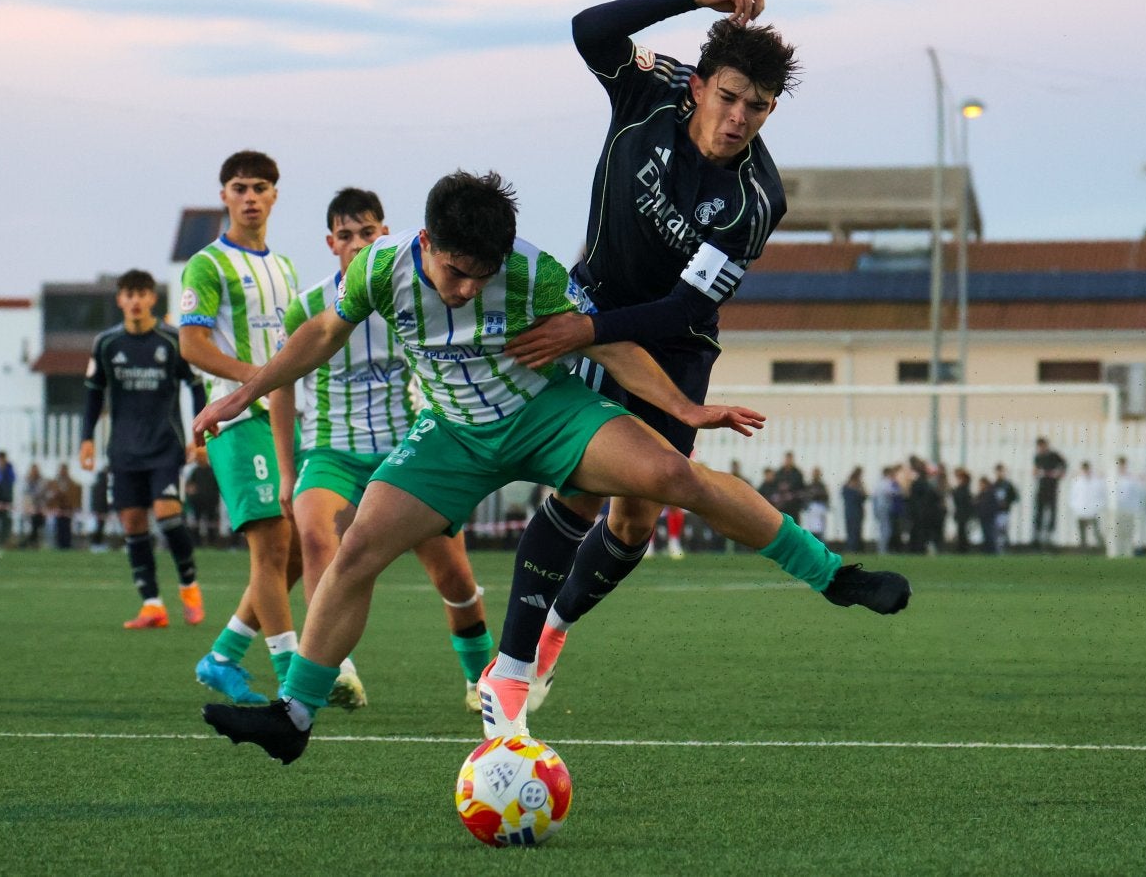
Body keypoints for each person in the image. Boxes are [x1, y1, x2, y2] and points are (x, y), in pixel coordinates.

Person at [196, 170, 908, 764]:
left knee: (675, 478)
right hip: (450, 433)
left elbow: (605, 345)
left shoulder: (531, 271)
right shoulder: (382, 269)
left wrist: (681, 409)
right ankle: (294, 718)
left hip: (546, 415)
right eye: (454, 272)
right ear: (425, 242)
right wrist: (248, 390)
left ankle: (834, 576)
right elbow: (320, 332)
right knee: (353, 552)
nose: (467, 290)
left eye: (481, 277)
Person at [485, 0, 814, 712]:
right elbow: (588, 28)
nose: (737, 119)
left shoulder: (755, 201)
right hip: (593, 306)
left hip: (671, 343)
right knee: (579, 484)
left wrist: (588, 331)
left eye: (756, 107)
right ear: (699, 85)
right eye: (727, 97)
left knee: (635, 516)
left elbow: (682, 307)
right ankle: (509, 672)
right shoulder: (652, 91)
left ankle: (554, 629)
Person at [273, 186, 495, 712]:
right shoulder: (307, 306)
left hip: (404, 449)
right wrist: (288, 472)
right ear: (331, 243)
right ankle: (337, 672)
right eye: (345, 236)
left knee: (453, 574)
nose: (356, 244)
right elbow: (282, 387)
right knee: (314, 533)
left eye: (367, 233)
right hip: (331, 451)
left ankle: (479, 679)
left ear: (383, 233)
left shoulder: (415, 294)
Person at [180, 150, 303, 701]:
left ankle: (224, 656)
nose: (250, 196)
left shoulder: (285, 268)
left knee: (298, 549)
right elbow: (192, 344)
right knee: (272, 548)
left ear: (275, 195)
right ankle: (293, 681)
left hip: (283, 419)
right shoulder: (207, 265)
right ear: (223, 195)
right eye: (239, 187)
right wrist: (258, 376)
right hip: (236, 419)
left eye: (260, 187)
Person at [80, 268, 208, 629]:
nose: (135, 301)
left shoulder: (171, 341)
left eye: (142, 294)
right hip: (122, 451)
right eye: (129, 294)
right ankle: (152, 604)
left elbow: (196, 386)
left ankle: (189, 585)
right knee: (133, 523)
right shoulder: (106, 344)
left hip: (165, 446)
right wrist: (86, 439)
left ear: (153, 298)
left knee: (168, 515)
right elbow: (92, 394)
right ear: (120, 300)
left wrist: (199, 434)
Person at [1031, 437, 1067, 548]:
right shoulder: (1037, 457)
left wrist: (1059, 473)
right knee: (1039, 511)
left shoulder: (1054, 456)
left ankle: (1049, 536)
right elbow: (1035, 471)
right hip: (1042, 487)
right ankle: (1037, 535)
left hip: (1052, 488)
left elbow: (1064, 465)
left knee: (1052, 511)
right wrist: (1037, 472)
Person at [1068, 461, 1105, 549]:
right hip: (1080, 510)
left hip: (1093, 510)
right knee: (1082, 532)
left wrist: (1098, 507)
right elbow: (1073, 496)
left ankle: (1102, 548)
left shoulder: (1096, 481)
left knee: (1096, 530)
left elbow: (1101, 495)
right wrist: (1075, 507)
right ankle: (1083, 548)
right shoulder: (1077, 481)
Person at [47, 464, 82, 549]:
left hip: (68, 508)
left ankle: (67, 544)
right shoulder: (54, 483)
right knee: (59, 527)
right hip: (58, 508)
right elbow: (50, 495)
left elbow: (74, 496)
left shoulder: (72, 483)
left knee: (67, 527)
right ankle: (59, 544)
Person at [990, 463, 1019, 554]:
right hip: (995, 511)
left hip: (1004, 511)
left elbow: (1015, 497)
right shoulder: (994, 485)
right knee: (996, 530)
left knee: (1003, 529)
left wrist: (1007, 502)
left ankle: (1003, 548)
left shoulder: (1008, 485)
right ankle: (997, 548)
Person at [0, 451, 16, 548]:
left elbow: (12, 479)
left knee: (6, 520)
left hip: (6, 499)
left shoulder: (9, 469)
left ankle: (4, 541)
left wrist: (5, 470)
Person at [22, 464, 48, 548]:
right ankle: (31, 542)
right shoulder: (27, 481)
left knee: (37, 526)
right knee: (31, 526)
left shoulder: (41, 481)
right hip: (30, 507)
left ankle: (34, 542)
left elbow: (39, 493)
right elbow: (25, 493)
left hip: (39, 507)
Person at [841, 466, 866, 553]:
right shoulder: (857, 486)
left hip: (849, 510)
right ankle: (854, 548)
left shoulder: (847, 485)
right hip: (856, 510)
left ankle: (852, 548)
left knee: (851, 529)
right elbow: (864, 496)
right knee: (855, 529)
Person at [951, 468, 974, 553]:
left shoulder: (964, 489)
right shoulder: (963, 489)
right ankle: (962, 549)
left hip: (963, 514)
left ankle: (962, 549)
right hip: (961, 514)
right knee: (961, 532)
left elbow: (960, 500)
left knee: (962, 532)